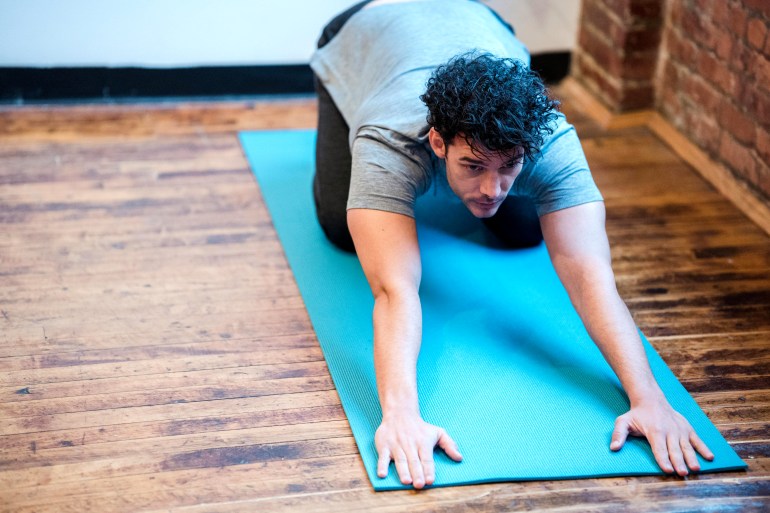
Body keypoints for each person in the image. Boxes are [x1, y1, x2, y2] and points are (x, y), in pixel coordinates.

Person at [310, 0, 715, 489]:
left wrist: (648, 397)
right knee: (340, 225)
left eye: (509, 168)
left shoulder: (550, 142)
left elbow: (590, 274)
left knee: (523, 230)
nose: (490, 188)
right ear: (438, 143)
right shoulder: (389, 142)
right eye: (473, 166)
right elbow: (396, 291)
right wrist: (401, 415)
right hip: (364, 31)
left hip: (477, 18)